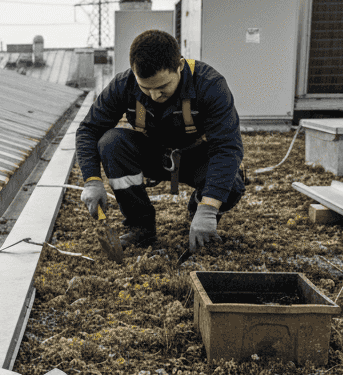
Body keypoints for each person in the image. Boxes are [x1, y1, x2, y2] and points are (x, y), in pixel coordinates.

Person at [75, 30, 245, 253]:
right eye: (146, 88)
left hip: (196, 158)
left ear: (179, 66)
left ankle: (198, 212)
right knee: (111, 143)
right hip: (153, 155)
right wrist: (92, 180)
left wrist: (209, 209)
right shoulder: (123, 85)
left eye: (162, 88)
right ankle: (140, 226)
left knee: (231, 183)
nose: (154, 95)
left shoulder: (210, 85)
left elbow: (227, 147)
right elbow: (89, 130)